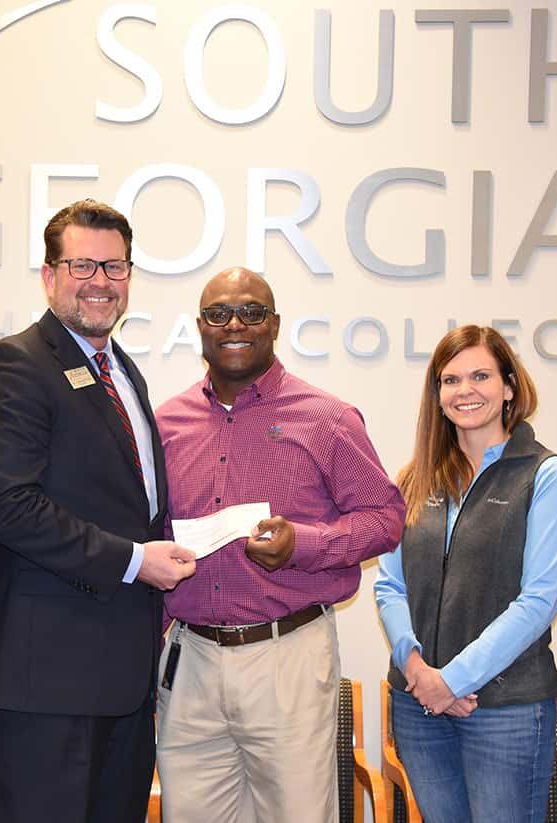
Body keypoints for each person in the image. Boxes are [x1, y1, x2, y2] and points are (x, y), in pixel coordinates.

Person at [0, 199, 197, 823]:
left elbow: (131, 506)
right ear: (49, 276)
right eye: (82, 265)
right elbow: (8, 507)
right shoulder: (16, 364)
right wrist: (133, 563)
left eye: (114, 267)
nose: (100, 282)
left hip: (124, 676)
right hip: (50, 682)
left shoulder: (125, 374)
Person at [154, 267, 405, 823]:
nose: (235, 324)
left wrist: (305, 544)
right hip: (190, 658)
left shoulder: (328, 418)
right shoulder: (164, 423)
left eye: (251, 311)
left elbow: (386, 518)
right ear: (200, 327)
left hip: (286, 655)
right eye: (219, 314)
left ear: (275, 325)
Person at [374, 324, 557, 823]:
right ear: (437, 395)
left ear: (509, 386)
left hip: (506, 708)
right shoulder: (414, 478)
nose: (465, 391)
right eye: (451, 380)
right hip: (419, 704)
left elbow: (538, 602)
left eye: (481, 376)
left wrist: (455, 680)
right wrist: (420, 673)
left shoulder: (545, 475)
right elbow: (389, 584)